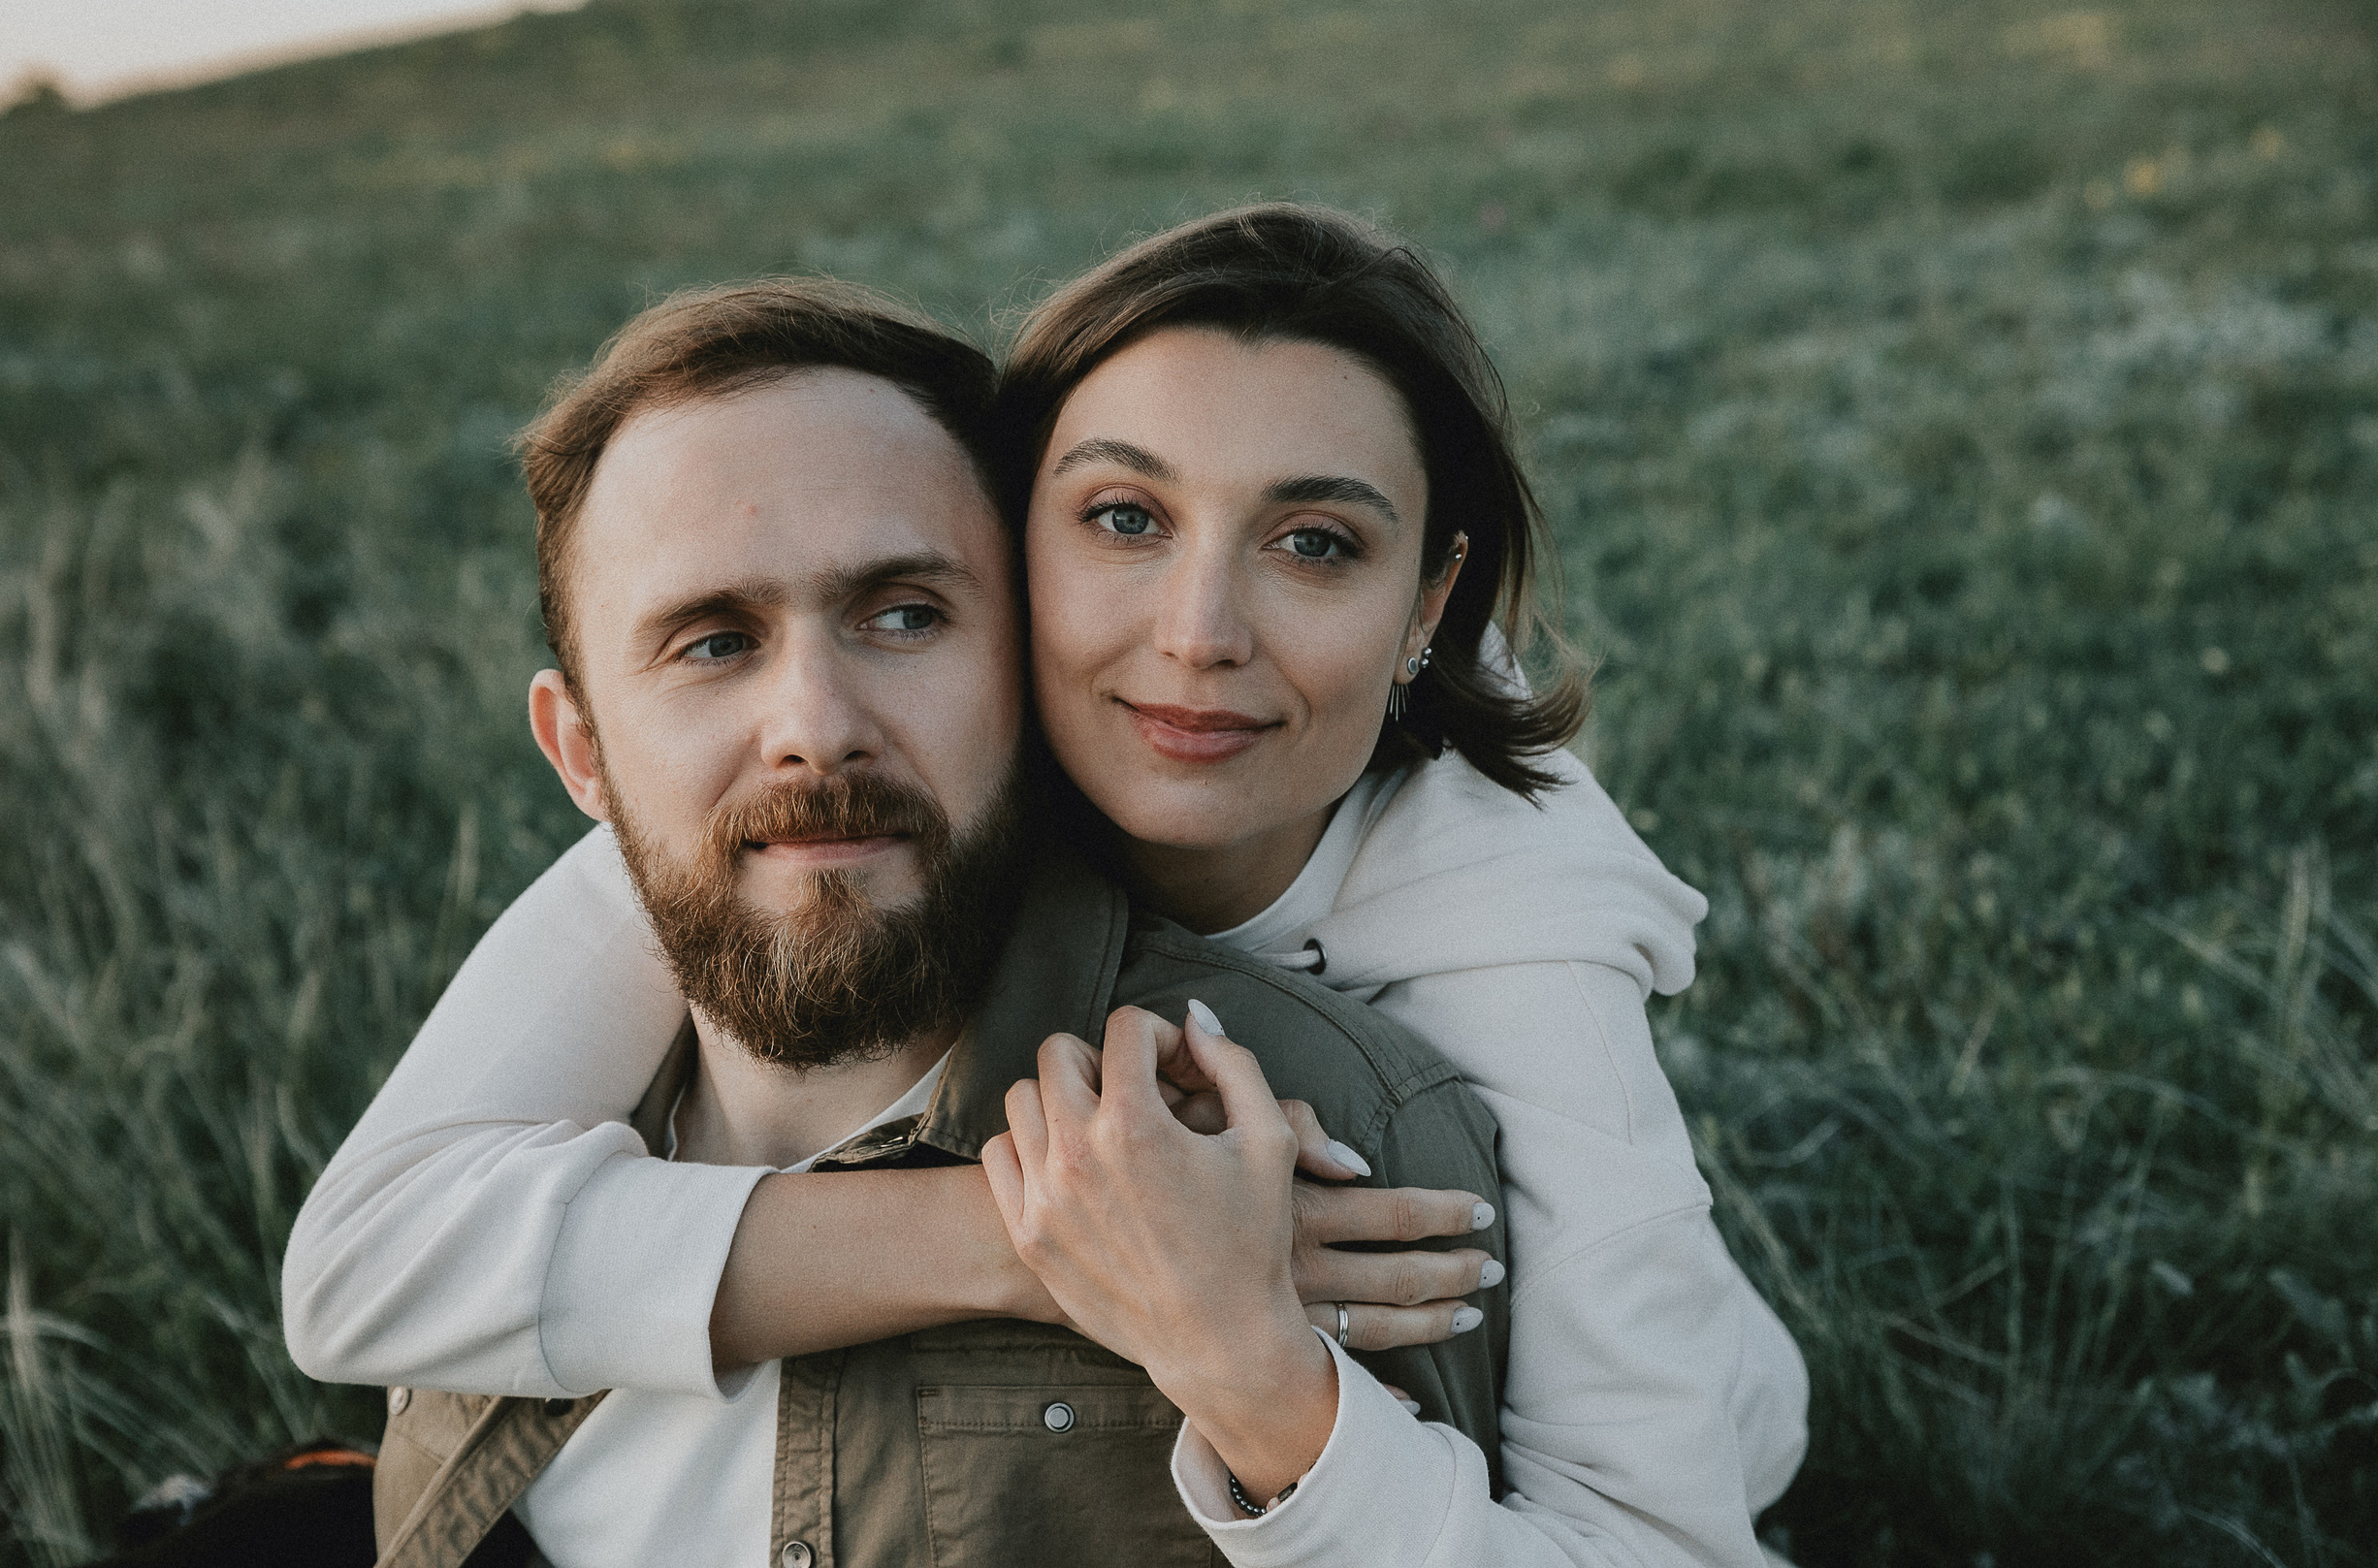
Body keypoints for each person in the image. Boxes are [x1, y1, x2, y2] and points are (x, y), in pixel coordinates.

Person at [287, 205, 1811, 1567]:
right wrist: (1044, 1242)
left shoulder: (1513, 927)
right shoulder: (827, 797)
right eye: (1125, 519)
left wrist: (1245, 1363)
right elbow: (369, 1261)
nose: (1198, 633)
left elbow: (1658, 1538)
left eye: (1315, 542)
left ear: (1429, 605)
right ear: (1016, 550)